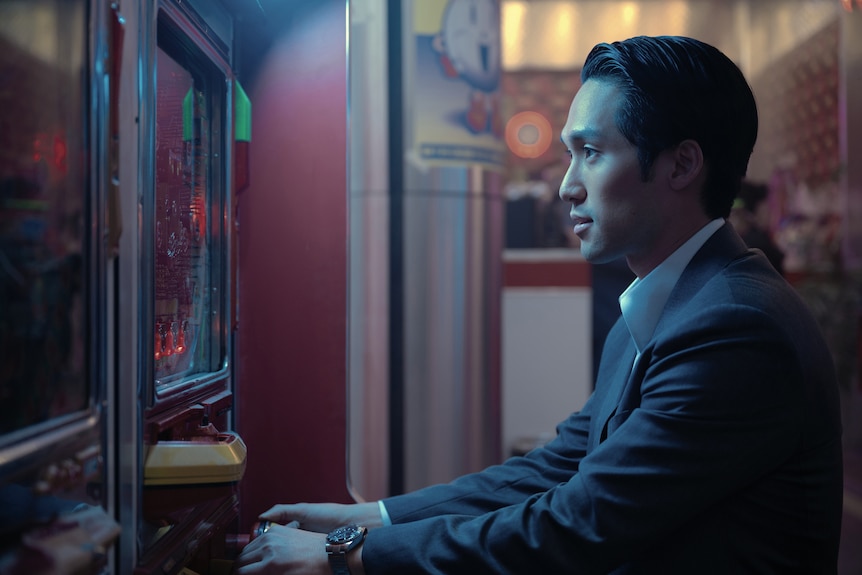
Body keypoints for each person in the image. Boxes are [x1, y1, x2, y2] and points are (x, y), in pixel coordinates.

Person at [235, 35, 843, 574]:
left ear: (682, 164)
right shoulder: (672, 301)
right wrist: (365, 517)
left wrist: (344, 554)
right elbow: (555, 468)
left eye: (592, 152)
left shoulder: (735, 326)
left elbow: (577, 523)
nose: (565, 184)